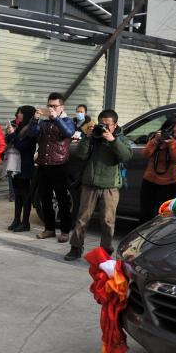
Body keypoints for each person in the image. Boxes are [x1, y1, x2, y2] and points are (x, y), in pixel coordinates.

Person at [65, 109, 133, 261]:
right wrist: (87, 138)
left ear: (115, 125)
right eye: (101, 124)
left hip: (110, 186)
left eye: (107, 125)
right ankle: (75, 247)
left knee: (108, 221)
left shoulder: (120, 139)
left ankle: (105, 251)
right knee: (82, 218)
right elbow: (80, 155)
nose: (103, 127)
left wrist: (113, 140)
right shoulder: (93, 137)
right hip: (90, 184)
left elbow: (126, 156)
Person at [28, 92, 76, 241]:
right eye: (49, 106)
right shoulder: (44, 122)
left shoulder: (68, 121)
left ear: (62, 107)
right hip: (43, 165)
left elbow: (68, 132)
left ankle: (65, 231)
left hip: (60, 165)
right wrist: (35, 119)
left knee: (62, 199)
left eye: (54, 106)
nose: (51, 109)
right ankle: (49, 229)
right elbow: (32, 133)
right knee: (45, 198)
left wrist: (55, 118)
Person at [139, 117, 176, 223]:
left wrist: (172, 143)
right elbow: (145, 154)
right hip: (150, 179)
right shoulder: (157, 137)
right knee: (145, 212)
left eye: (174, 131)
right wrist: (155, 141)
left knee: (164, 213)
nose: (171, 134)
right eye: (168, 130)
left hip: (170, 182)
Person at [4, 105, 37, 232]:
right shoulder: (21, 127)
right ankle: (16, 220)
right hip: (15, 165)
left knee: (25, 194)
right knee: (17, 194)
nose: (18, 115)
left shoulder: (31, 130)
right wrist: (9, 133)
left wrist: (12, 135)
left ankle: (25, 223)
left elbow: (21, 146)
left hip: (25, 165)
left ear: (27, 115)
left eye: (21, 113)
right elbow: (12, 141)